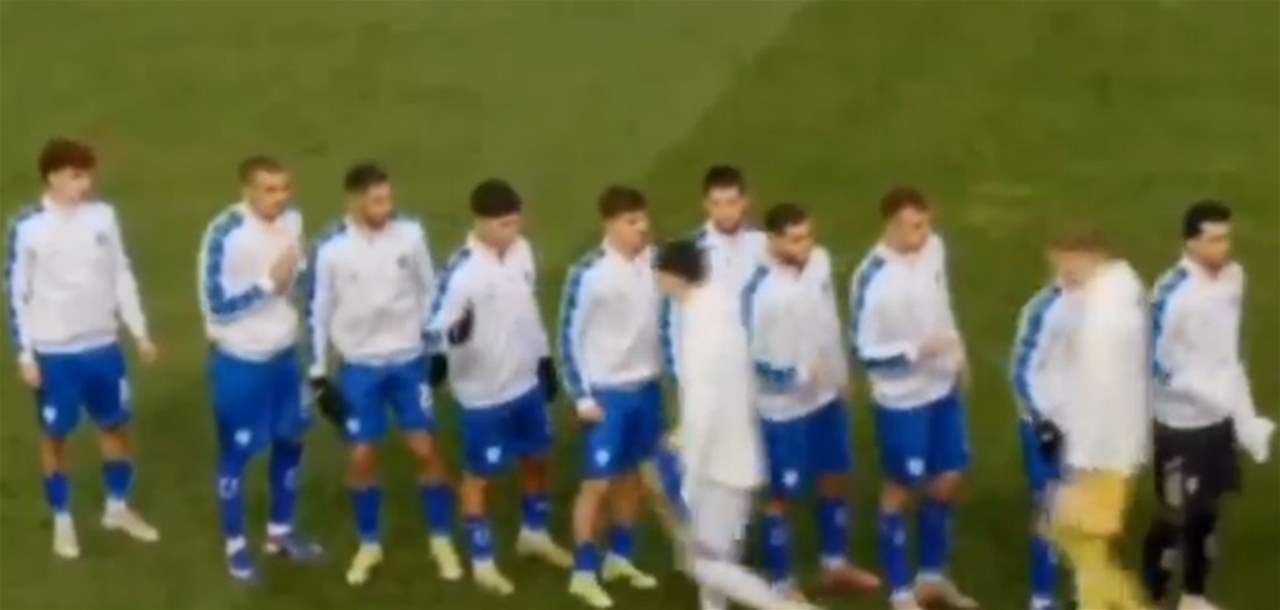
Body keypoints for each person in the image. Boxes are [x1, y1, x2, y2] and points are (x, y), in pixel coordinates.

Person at [304, 162, 462, 586]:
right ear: (354, 201)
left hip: (409, 362)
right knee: (362, 455)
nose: (386, 208)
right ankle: (369, 542)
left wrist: (439, 347)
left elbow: (431, 291)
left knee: (425, 449)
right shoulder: (331, 249)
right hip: (360, 368)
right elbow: (318, 312)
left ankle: (441, 538)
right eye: (376, 201)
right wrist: (318, 375)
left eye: (388, 198)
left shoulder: (410, 234)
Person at [5, 138, 160, 559]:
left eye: (87, 175)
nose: (85, 184)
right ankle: (62, 520)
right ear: (52, 177)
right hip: (55, 353)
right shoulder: (28, 226)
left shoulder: (103, 217)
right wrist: (25, 354)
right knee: (56, 437)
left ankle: (117, 508)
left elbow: (121, 274)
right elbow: (16, 292)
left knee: (115, 427)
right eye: (76, 176)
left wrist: (139, 332)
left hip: (103, 346)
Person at [425, 178, 572, 596]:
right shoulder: (461, 273)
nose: (513, 231)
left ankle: (534, 533)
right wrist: (453, 337)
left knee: (538, 458)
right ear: (481, 223)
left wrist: (544, 359)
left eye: (516, 222)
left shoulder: (522, 251)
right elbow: (431, 332)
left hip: (525, 383)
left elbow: (528, 309)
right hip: (483, 395)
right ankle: (483, 561)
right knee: (481, 476)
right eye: (504, 224)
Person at [655, 240, 817, 610]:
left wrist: (689, 472)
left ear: (674, 277)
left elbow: (703, 409)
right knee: (716, 558)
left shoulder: (700, 330)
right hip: (738, 451)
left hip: (720, 466)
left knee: (705, 564)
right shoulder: (717, 306)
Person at [1141, 201, 1275, 610]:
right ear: (1190, 243)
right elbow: (1153, 362)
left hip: (1218, 421)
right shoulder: (1172, 293)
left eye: (1226, 238)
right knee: (1173, 516)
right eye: (1214, 240)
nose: (1224, 247)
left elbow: (1228, 354)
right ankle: (1152, 598)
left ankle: (1193, 596)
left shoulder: (1234, 278)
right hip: (1180, 425)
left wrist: (1244, 416)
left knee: (1208, 512)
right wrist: (1205, 392)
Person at [742, 203, 881, 597]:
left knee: (836, 477)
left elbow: (829, 322)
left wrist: (839, 374)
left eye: (807, 236)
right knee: (782, 495)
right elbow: (756, 362)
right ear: (773, 241)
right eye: (794, 239)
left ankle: (834, 565)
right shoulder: (761, 293)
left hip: (827, 400)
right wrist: (802, 375)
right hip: (783, 411)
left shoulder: (819, 262)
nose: (804, 246)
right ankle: (782, 584)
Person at [197, 155, 323, 582]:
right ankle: (235, 545)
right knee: (237, 455)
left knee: (291, 442)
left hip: (285, 359)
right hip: (240, 363)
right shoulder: (224, 233)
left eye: (285, 188)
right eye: (269, 190)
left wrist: (299, 282)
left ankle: (279, 534)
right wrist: (270, 282)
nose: (279, 198)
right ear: (246, 190)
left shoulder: (293, 222)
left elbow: (297, 283)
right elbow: (216, 305)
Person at [849, 186, 976, 610]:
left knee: (949, 478)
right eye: (913, 227)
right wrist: (916, 351)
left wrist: (958, 354)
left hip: (943, 387)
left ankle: (932, 577)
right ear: (890, 225)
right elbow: (866, 353)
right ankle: (901, 591)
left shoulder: (933, 248)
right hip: (903, 400)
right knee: (901, 488)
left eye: (926, 224)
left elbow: (942, 303)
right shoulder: (871, 279)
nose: (923, 234)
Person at [559, 186, 663, 608]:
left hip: (647, 389)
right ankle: (583, 573)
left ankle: (620, 558)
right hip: (607, 395)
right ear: (610, 225)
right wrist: (582, 397)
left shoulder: (655, 262)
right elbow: (567, 338)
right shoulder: (588, 273)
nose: (642, 227)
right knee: (597, 483)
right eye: (632, 222)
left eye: (643, 218)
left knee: (633, 476)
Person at [652, 165, 768, 532]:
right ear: (706, 205)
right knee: (711, 458)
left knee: (744, 453)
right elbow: (670, 323)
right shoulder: (691, 252)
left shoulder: (762, 246)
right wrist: (685, 377)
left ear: (745, 202)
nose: (725, 211)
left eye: (732, 202)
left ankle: (734, 534)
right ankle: (709, 534)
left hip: (752, 370)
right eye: (717, 203)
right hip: (707, 371)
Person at [1045, 229, 1152, 610]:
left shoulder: (1103, 317)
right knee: (1083, 543)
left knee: (1074, 534)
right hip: (1115, 444)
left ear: (1088, 257)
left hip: (1103, 451)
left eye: (1064, 264)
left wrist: (1081, 457)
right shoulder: (1118, 291)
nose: (1060, 274)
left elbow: (1098, 390)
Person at [1009, 241, 1088, 610]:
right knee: (1051, 509)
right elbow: (1020, 371)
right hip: (1048, 425)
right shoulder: (1043, 309)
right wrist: (1043, 423)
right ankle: (1042, 598)